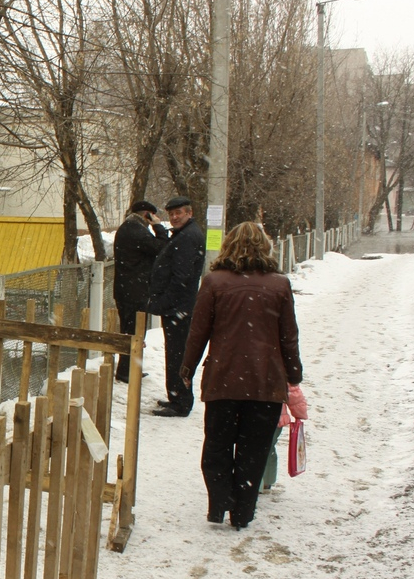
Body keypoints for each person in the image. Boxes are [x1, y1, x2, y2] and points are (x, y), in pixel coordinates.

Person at [180, 222, 303, 530]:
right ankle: (243, 512)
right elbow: (289, 336)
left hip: (223, 378)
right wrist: (294, 374)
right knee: (254, 448)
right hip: (265, 382)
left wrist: (186, 369)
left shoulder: (214, 282)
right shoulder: (279, 285)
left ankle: (219, 503)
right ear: (266, 247)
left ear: (228, 246)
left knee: (217, 444)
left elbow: (198, 332)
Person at [146, 196, 206, 416]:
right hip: (178, 306)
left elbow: (181, 277)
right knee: (175, 353)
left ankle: (181, 401)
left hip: (179, 307)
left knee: (179, 355)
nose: (174, 217)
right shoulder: (184, 234)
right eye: (171, 214)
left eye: (179, 213)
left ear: (189, 213)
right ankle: (176, 396)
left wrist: (162, 302)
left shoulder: (188, 237)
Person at [112, 200, 169, 382]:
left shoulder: (128, 228)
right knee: (134, 331)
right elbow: (161, 247)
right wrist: (159, 228)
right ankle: (126, 371)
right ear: (148, 215)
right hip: (133, 290)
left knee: (133, 330)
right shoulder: (136, 230)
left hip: (128, 288)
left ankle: (129, 369)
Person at [261, 384, 308, 492]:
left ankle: (256, 483)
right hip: (275, 415)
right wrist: (299, 412)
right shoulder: (279, 367)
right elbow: (292, 390)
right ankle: (267, 480)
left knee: (254, 450)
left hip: (254, 413)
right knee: (268, 448)